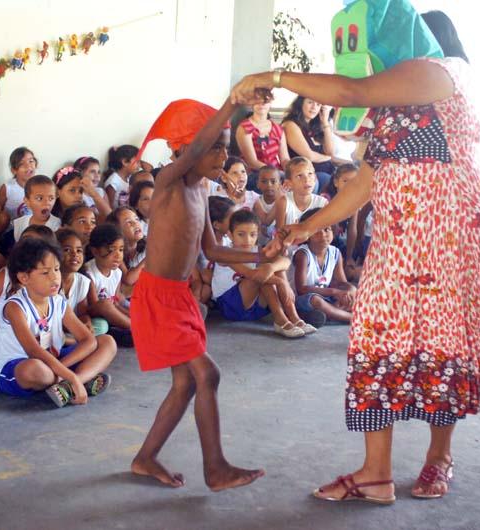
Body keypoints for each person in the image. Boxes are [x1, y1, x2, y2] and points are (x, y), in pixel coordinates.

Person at [231, 6, 480, 502]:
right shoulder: (394, 106)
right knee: (372, 339)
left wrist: (274, 77)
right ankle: (376, 473)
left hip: (448, 244)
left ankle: (439, 457)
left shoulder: (444, 73)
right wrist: (305, 227)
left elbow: (352, 91)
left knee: (442, 348)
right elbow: (366, 181)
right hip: (398, 245)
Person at [127, 98, 270, 491]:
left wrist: (262, 254)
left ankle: (145, 458)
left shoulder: (202, 189)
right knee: (207, 373)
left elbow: (213, 250)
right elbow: (192, 152)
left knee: (187, 383)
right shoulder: (168, 181)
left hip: (180, 297)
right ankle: (216, 468)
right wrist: (232, 104)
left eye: (226, 147)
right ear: (188, 149)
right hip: (157, 298)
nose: (223, 156)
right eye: (216, 147)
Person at [0, 238, 116, 406]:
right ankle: (80, 380)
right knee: (35, 370)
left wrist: (64, 371)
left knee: (107, 342)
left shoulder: (58, 301)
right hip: (18, 367)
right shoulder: (15, 307)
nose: (55, 277)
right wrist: (69, 374)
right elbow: (33, 351)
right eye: (45, 273)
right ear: (24, 277)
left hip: (53, 361)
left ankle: (68, 386)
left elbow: (88, 340)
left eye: (56, 269)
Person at [211, 209, 310, 338]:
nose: (247, 240)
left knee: (272, 268)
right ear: (230, 235)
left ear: (258, 234)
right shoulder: (226, 254)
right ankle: (280, 319)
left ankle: (294, 317)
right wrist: (282, 283)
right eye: (241, 234)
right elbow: (251, 274)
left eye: (252, 235)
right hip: (230, 307)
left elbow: (285, 261)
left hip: (255, 309)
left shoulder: (258, 250)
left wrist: (271, 267)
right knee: (262, 274)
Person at [0, 225, 56, 333]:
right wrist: (1, 334)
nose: (25, 246)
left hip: (27, 337)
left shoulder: (51, 282)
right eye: (23, 241)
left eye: (32, 243)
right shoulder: (7, 274)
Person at [293, 208, 356, 324]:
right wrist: (334, 292)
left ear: (333, 231)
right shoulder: (303, 254)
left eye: (327, 229)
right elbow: (301, 289)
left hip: (326, 297)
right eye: (317, 231)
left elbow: (341, 282)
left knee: (352, 290)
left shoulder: (335, 253)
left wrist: (348, 291)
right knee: (316, 300)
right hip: (304, 299)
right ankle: (352, 318)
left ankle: (330, 314)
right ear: (307, 235)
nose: (323, 234)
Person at [282, 96, 346, 192]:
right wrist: (329, 158)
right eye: (310, 102)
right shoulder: (290, 125)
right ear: (300, 103)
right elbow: (309, 156)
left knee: (351, 173)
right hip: (307, 175)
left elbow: (330, 152)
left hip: (328, 170)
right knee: (328, 180)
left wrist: (325, 122)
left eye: (318, 104)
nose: (314, 107)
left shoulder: (316, 126)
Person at [84, 224, 132, 346]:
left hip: (111, 312)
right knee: (104, 310)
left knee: (135, 312)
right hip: (94, 315)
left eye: (121, 249)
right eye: (112, 250)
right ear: (95, 251)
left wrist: (130, 314)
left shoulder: (117, 272)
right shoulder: (89, 273)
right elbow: (96, 306)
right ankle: (137, 329)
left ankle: (133, 326)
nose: (118, 255)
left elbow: (116, 300)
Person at [56, 229, 108, 336]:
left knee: (102, 326)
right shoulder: (49, 282)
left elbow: (82, 314)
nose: (75, 254)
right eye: (67, 250)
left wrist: (86, 323)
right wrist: (75, 327)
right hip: (54, 328)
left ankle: (79, 340)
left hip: (73, 329)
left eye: (79, 251)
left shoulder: (82, 281)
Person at [274, 157, 329, 232]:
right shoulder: (284, 202)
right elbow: (279, 233)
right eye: (299, 176)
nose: (306, 179)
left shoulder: (322, 203)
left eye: (310, 174)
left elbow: (328, 233)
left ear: (315, 178)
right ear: (288, 183)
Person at [236, 100, 290, 173]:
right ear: (251, 103)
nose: (261, 104)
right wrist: (276, 173)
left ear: (270, 103)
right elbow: (252, 162)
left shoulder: (277, 129)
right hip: (254, 173)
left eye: (265, 101)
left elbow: (284, 159)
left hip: (277, 173)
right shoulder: (245, 127)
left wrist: (291, 171)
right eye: (258, 100)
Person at [12, 175, 61, 241]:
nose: (47, 203)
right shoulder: (20, 224)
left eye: (51, 198)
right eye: (39, 198)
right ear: (27, 202)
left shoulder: (57, 226)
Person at [107, 207, 146, 288]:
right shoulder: (116, 253)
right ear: (117, 230)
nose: (135, 224)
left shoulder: (148, 246)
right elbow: (128, 280)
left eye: (136, 219)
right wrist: (151, 256)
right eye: (129, 222)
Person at [0, 147, 37, 221]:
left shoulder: (41, 186)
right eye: (21, 164)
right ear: (14, 170)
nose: (28, 166)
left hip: (34, 226)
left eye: (31, 161)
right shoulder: (7, 188)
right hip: (12, 226)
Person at [251, 165, 283, 244]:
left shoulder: (286, 201)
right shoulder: (256, 200)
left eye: (273, 181)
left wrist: (281, 199)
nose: (269, 185)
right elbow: (266, 221)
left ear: (280, 184)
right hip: (259, 243)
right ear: (258, 184)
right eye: (264, 181)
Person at [104, 145, 140, 209]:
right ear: (125, 162)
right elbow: (108, 207)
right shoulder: (113, 182)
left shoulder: (130, 178)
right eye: (137, 162)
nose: (139, 165)